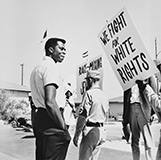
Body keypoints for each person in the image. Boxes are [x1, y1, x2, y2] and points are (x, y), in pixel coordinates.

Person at [30, 37, 71, 160]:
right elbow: (50, 102)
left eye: (65, 49)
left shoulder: (37, 68)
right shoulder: (51, 67)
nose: (64, 52)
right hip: (51, 120)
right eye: (61, 49)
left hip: (40, 118)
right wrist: (63, 128)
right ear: (51, 49)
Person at [73, 70, 109, 160]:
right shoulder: (104, 95)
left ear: (90, 80)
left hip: (90, 130)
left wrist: (77, 134)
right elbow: (107, 114)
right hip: (101, 130)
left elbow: (83, 116)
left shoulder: (89, 93)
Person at [122, 78, 157, 160]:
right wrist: (125, 119)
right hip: (131, 107)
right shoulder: (128, 77)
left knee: (148, 140)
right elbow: (125, 97)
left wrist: (153, 112)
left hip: (143, 107)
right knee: (134, 141)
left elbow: (153, 93)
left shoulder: (148, 74)